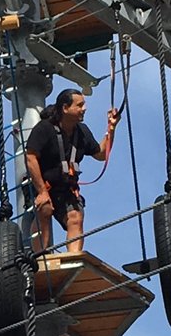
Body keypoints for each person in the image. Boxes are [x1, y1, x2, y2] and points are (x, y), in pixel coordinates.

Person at [26, 89, 120, 254]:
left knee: (75, 217)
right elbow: (31, 157)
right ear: (65, 108)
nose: (84, 108)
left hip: (65, 187)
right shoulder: (45, 128)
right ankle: (40, 257)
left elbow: (100, 154)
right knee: (45, 208)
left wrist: (111, 128)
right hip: (42, 184)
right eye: (80, 105)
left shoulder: (81, 131)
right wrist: (41, 191)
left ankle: (73, 258)